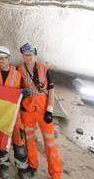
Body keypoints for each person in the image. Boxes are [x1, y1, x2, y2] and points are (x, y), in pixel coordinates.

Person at [18, 43, 62, 178]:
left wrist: (50, 110)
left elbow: (51, 90)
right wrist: (22, 92)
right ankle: (33, 165)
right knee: (29, 140)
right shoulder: (19, 70)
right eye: (26, 55)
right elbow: (15, 90)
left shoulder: (44, 69)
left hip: (43, 111)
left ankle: (55, 174)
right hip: (28, 111)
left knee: (50, 142)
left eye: (31, 55)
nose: (29, 58)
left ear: (35, 55)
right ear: (23, 56)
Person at [0, 46, 30, 179]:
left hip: (14, 114)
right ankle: (4, 165)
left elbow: (24, 90)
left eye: (3, 58)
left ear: (8, 58)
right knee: (0, 139)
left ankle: (22, 168)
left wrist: (24, 93)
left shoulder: (17, 75)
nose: (1, 61)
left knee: (18, 140)